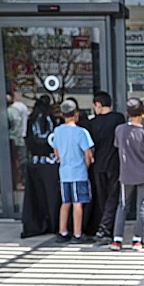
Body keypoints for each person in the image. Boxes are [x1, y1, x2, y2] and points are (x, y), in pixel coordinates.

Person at [109, 98, 144, 252]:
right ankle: (137, 240)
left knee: (122, 205)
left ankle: (117, 239)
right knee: (142, 207)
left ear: (127, 113)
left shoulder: (119, 130)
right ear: (143, 113)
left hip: (126, 173)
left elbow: (117, 146)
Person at [52, 100, 94, 243]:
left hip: (64, 172)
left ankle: (62, 231)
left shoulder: (57, 131)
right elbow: (88, 154)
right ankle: (77, 234)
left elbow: (56, 152)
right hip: (79, 172)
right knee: (78, 203)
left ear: (62, 115)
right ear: (76, 114)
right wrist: (86, 166)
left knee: (65, 203)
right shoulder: (81, 132)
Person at [89, 91, 126, 243]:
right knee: (113, 197)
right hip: (114, 163)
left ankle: (104, 228)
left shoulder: (92, 124)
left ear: (98, 105)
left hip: (98, 165)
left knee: (102, 197)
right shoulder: (118, 118)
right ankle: (106, 228)